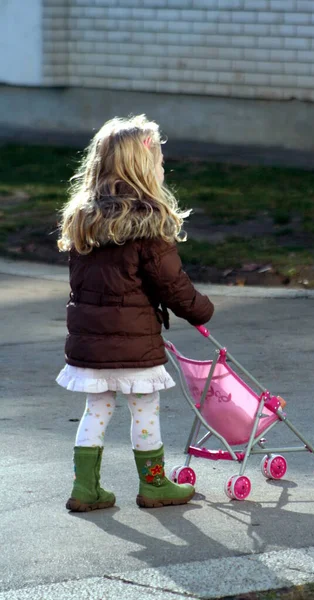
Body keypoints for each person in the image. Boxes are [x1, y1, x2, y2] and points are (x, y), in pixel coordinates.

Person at [56, 114, 214, 512]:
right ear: (145, 168)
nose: (162, 166)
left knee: (97, 409)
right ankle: (154, 485)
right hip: (134, 345)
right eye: (159, 160)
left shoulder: (84, 220)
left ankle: (85, 488)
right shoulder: (150, 225)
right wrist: (201, 310)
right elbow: (172, 285)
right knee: (144, 409)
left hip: (90, 343)